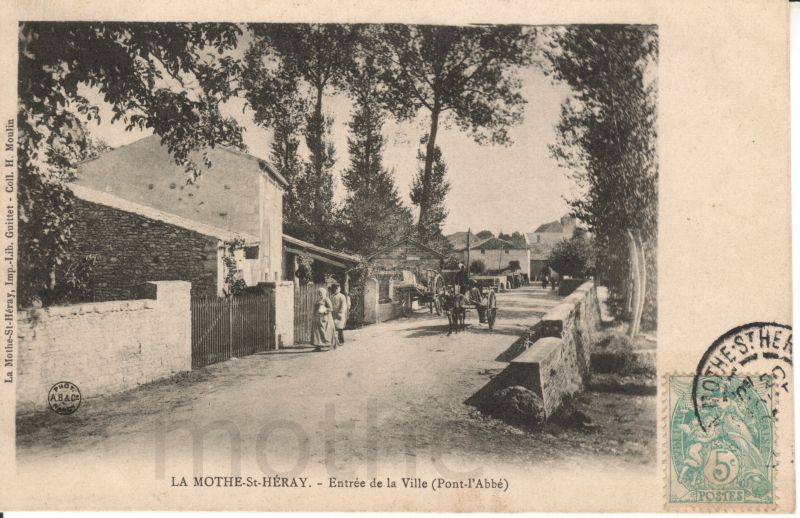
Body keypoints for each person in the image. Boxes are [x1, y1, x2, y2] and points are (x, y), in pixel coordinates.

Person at [311, 286, 338, 351]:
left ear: (324, 293)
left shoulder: (327, 299)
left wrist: (324, 310)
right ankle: (318, 346)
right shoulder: (318, 300)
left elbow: (331, 308)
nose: (320, 294)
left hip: (326, 319)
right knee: (317, 332)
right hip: (318, 318)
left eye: (321, 293)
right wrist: (314, 315)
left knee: (326, 332)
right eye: (319, 293)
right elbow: (315, 308)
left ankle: (331, 344)